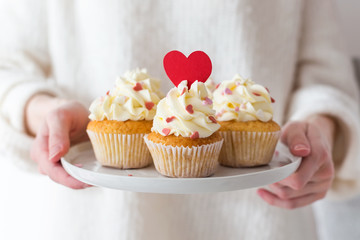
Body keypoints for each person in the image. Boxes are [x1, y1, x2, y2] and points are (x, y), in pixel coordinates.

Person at [1, 0, 359, 239]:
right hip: (98, 222)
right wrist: (44, 112)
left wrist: (321, 126)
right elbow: (9, 63)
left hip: (263, 219)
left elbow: (323, 72)